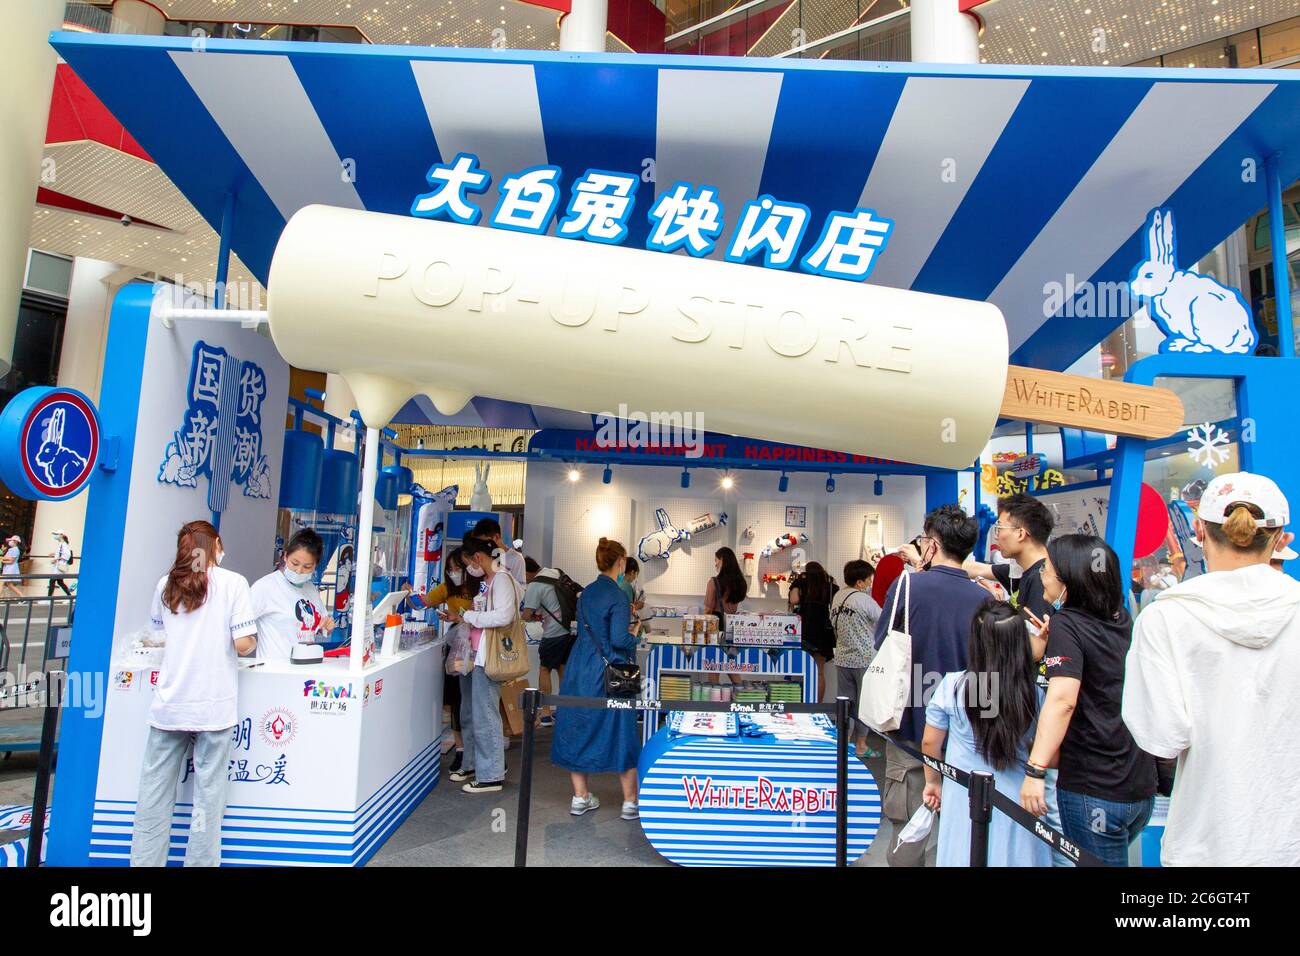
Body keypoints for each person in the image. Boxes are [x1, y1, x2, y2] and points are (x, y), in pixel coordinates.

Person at [1123, 473, 1300, 866]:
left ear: (1199, 530)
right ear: (1280, 537)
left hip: (1207, 840)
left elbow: (1162, 738)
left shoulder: (1166, 617)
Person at [1020, 534, 1156, 867]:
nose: (1041, 576)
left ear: (1069, 581)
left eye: (1048, 569)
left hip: (1093, 788)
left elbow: (1063, 700)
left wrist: (1035, 771)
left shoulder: (1068, 624)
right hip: (1138, 785)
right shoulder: (1122, 618)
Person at [130, 520, 257, 867]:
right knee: (207, 800)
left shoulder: (166, 585)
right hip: (214, 708)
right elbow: (244, 644)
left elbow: (157, 635)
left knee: (153, 797)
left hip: (169, 704)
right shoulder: (233, 583)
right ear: (215, 544)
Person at [873, 504, 990, 867]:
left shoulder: (907, 586)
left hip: (910, 721)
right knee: (963, 828)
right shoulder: (984, 598)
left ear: (932, 545)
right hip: (968, 730)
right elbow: (990, 669)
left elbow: (883, 645)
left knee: (908, 824)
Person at [922, 602, 1052, 867]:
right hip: (1018, 798)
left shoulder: (952, 686)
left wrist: (933, 782)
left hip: (964, 795)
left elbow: (929, 743)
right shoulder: (1033, 694)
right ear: (1019, 643)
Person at [552, 537, 641, 820]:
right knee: (622, 729)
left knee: (576, 726)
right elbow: (617, 638)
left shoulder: (586, 592)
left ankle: (580, 797)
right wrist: (634, 636)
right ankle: (630, 802)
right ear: (620, 562)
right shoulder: (618, 595)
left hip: (580, 667)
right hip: (611, 670)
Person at [439, 536, 518, 793]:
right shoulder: (488, 582)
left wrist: (471, 615)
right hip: (475, 654)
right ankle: (478, 765)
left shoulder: (502, 579)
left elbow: (504, 615)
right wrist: (464, 616)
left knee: (485, 715)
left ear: (477, 558)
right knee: (472, 714)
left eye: (465, 564)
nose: (465, 570)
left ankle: (491, 774)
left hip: (487, 656)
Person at [408, 547, 477, 775]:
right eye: (450, 569)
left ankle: (477, 752)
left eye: (458, 568)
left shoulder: (480, 586)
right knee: (456, 701)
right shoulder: (447, 588)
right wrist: (407, 595)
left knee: (475, 703)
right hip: (457, 649)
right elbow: (421, 602)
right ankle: (461, 750)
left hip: (478, 648)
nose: (454, 572)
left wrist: (461, 616)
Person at [964, 492, 1054, 619]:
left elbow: (1036, 637)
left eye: (999, 528)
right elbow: (979, 569)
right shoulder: (1021, 571)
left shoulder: (1040, 580)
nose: (996, 536)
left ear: (1021, 534)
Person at [250, 529, 334, 660]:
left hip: (304, 668)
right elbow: (240, 624)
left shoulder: (311, 590)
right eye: (295, 563)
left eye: (307, 567)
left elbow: (322, 625)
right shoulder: (265, 587)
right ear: (285, 556)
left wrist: (327, 626)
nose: (299, 570)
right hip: (274, 671)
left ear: (315, 566)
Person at [830, 559, 882, 759]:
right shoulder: (863, 599)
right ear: (860, 582)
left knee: (845, 704)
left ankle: (843, 745)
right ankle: (861, 745)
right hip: (864, 659)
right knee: (863, 706)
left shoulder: (838, 597)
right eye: (869, 580)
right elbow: (884, 618)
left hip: (842, 657)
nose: (870, 584)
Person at [523, 557, 574, 728]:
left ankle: (545, 713)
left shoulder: (534, 585)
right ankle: (564, 710)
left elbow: (527, 614)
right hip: (569, 631)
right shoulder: (556, 572)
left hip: (552, 634)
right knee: (562, 668)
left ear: (527, 571)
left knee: (545, 669)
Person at [790, 561, 836, 701]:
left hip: (805, 630)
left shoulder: (801, 582)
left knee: (803, 670)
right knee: (819, 672)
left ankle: (803, 704)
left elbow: (794, 600)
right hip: (823, 630)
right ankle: (818, 705)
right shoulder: (830, 585)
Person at [469, 517, 526, 586]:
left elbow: (520, 588)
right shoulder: (482, 556)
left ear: (496, 537)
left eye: (485, 542)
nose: (482, 546)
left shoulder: (516, 559)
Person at [703, 546, 747, 619]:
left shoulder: (714, 582)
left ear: (721, 560)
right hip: (732, 624)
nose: (715, 564)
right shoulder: (741, 582)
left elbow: (708, 610)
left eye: (716, 560)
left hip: (716, 625)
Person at [48, 529, 74, 597]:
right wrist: (54, 554)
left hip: (59, 566)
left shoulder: (63, 544)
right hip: (59, 566)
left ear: (61, 535)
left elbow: (67, 555)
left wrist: (56, 559)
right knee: (60, 582)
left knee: (52, 581)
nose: (55, 536)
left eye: (57, 534)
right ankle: (70, 596)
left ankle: (49, 599)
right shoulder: (62, 544)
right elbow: (61, 553)